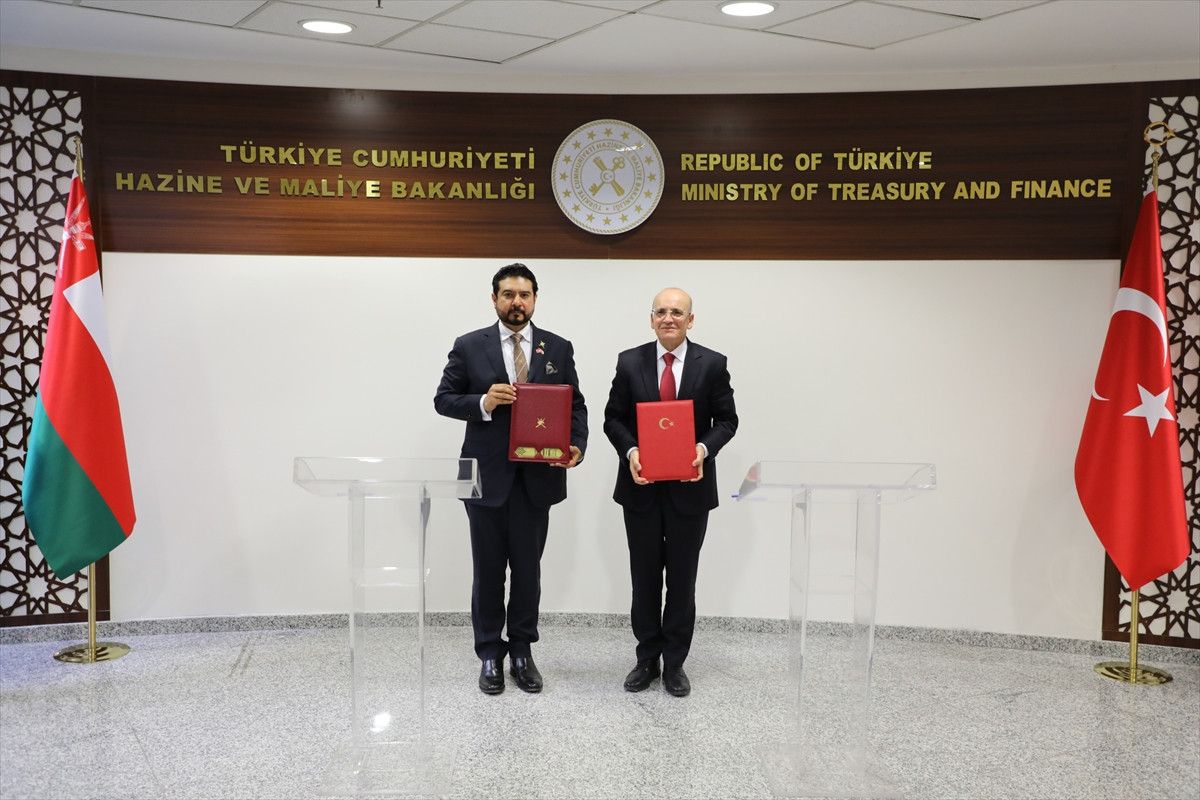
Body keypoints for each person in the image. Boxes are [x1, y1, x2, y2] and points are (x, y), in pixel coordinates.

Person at [434, 263, 587, 695]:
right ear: (494, 299)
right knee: (487, 572)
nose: (516, 302)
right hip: (484, 477)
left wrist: (577, 445)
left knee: (527, 572)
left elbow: (575, 405)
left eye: (524, 294)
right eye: (508, 294)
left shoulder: (559, 347)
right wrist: (483, 402)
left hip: (537, 479)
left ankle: (522, 651)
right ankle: (489, 653)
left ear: (535, 298)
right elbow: (443, 399)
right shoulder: (469, 345)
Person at [603, 287, 737, 697]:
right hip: (640, 488)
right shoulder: (629, 362)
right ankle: (647, 659)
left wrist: (703, 450)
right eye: (661, 311)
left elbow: (727, 421)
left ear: (690, 320)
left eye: (677, 312)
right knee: (644, 579)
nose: (668, 318)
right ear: (651, 319)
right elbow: (613, 419)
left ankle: (675, 662)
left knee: (682, 580)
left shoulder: (712, 364)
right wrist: (631, 451)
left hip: (690, 491)